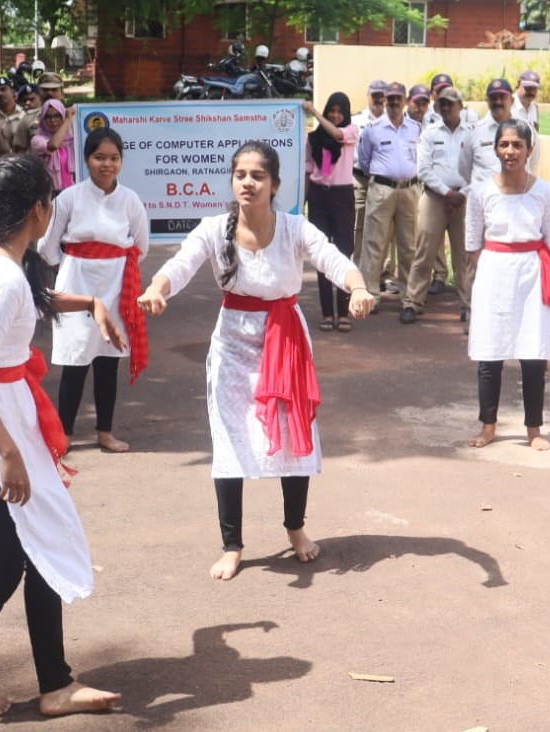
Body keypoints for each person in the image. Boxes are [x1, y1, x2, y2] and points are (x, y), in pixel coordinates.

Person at [0, 154, 122, 719]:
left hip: (1, 413)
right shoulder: (2, 276)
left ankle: (54, 683)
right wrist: (8, 452)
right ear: (40, 209)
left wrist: (91, 301)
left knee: (34, 547)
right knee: (8, 560)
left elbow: (31, 301)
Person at [138, 141, 376, 581]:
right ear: (233, 180)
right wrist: (157, 288)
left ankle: (296, 529)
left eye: (258, 175)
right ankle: (232, 544)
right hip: (233, 342)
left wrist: (357, 288)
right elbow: (182, 263)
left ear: (275, 184)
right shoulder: (215, 228)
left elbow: (333, 260)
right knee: (230, 441)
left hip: (284, 340)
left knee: (292, 433)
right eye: (241, 174)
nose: (248, 182)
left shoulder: (294, 228)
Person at [39, 129, 150, 453]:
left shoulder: (130, 199)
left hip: (116, 285)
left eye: (114, 158)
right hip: (75, 281)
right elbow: (47, 246)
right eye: (100, 157)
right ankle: (65, 435)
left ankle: (105, 433)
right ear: (87, 159)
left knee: (108, 360)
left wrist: (114, 269)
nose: (107, 164)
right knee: (75, 361)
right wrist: (72, 266)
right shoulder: (69, 197)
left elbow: (140, 245)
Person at [465, 120, 550, 452]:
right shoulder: (481, 191)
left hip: (532, 274)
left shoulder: (544, 192)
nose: (510, 151)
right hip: (493, 273)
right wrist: (497, 267)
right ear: (495, 149)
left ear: (529, 150)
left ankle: (534, 428)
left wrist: (524, 264)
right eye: (504, 145)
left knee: (532, 352)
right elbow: (472, 241)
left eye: (517, 145)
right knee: (489, 352)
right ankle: (488, 425)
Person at [356, 81, 421, 319]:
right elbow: (364, 161)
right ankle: (370, 294)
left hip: (409, 191)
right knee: (374, 243)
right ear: (384, 101)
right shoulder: (373, 129)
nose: (393, 103)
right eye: (389, 99)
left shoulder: (415, 128)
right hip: (381, 190)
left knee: (409, 245)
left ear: (404, 101)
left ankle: (408, 297)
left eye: (397, 98)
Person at [304, 93, 360, 333]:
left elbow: (337, 134)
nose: (335, 115)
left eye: (339, 111)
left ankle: (343, 311)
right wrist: (304, 200)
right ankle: (328, 313)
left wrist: (314, 112)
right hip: (319, 197)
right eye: (331, 111)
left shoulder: (351, 131)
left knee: (344, 252)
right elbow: (312, 171)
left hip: (342, 197)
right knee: (321, 254)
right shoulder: (314, 139)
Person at [416, 87, 472, 323]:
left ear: (461, 105)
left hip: (464, 200)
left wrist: (462, 193)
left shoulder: (471, 134)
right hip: (435, 199)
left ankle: (468, 305)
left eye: (451, 103)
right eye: (443, 104)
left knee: (465, 256)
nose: (446, 108)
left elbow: (479, 170)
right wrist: (446, 192)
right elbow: (424, 169)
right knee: (424, 252)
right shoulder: (429, 133)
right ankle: (413, 301)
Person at [350, 80, 387, 270]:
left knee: (385, 227)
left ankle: (384, 272)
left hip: (385, 182)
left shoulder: (395, 120)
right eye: (375, 95)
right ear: (368, 96)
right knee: (359, 226)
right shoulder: (356, 121)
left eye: (383, 95)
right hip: (360, 180)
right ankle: (356, 267)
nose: (379, 99)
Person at [30, 99, 75, 190]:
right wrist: (67, 120)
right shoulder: (37, 140)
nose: (53, 120)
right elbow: (53, 145)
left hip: (71, 191)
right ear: (43, 119)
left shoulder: (71, 139)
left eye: (57, 116)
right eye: (48, 117)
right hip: (49, 193)